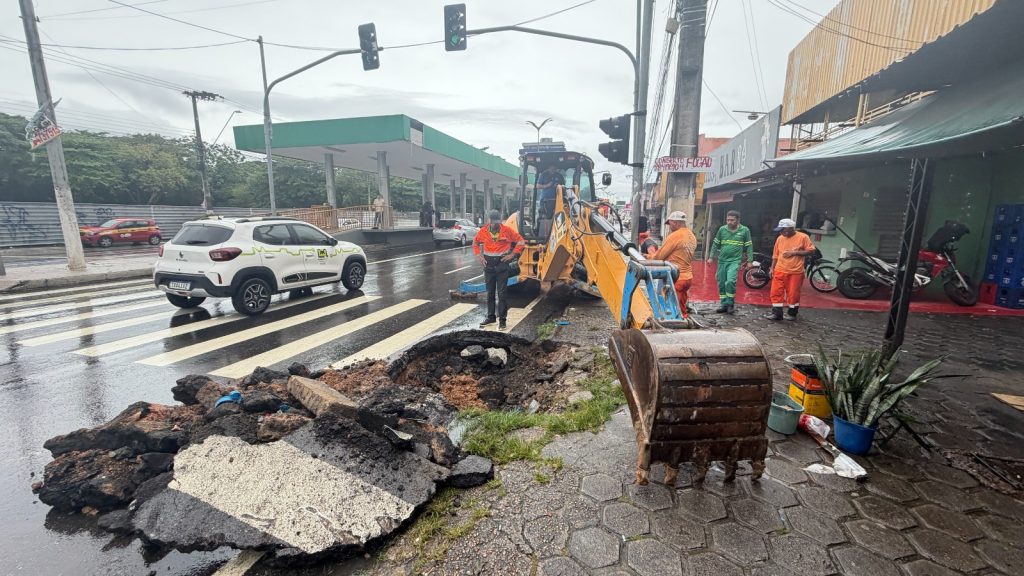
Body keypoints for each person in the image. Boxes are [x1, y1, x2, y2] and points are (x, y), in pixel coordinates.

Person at [473, 210, 525, 330]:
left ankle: (502, 320)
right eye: (493, 223)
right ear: (489, 221)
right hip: (488, 266)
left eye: (497, 222)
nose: (495, 225)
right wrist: (479, 255)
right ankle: (491, 317)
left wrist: (512, 255)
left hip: (502, 266)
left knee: (502, 294)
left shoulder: (507, 231)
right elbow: (475, 242)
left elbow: (521, 241)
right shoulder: (483, 231)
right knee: (490, 293)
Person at [766, 218, 816, 321]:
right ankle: (777, 313)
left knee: (793, 293)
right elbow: (775, 255)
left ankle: (792, 313)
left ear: (790, 228)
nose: (781, 232)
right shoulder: (780, 238)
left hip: (795, 272)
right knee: (775, 292)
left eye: (783, 229)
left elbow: (811, 250)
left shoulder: (803, 237)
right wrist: (772, 268)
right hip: (780, 269)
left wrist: (794, 253)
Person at [649, 211, 697, 315]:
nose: (669, 227)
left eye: (670, 224)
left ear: (675, 222)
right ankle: (684, 323)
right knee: (682, 309)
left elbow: (659, 257)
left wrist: (649, 256)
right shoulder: (691, 236)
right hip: (688, 278)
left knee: (669, 307)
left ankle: (669, 325)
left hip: (675, 278)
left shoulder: (675, 236)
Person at [707, 210, 754, 314]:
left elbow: (749, 246)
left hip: (735, 261)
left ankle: (730, 304)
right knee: (721, 282)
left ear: (738, 220)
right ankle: (723, 304)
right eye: (728, 220)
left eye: (732, 220)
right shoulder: (722, 230)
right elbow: (715, 244)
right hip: (722, 261)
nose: (729, 222)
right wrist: (711, 257)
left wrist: (750, 260)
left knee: (730, 281)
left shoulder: (745, 230)